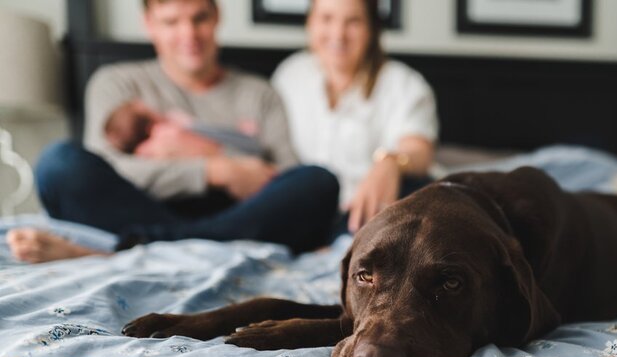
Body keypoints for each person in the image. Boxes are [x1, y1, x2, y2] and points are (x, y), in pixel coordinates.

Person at [6, 0, 339, 263]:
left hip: (237, 215)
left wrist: (209, 152)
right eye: (171, 22)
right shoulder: (117, 83)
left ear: (217, 16)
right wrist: (213, 170)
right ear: (149, 24)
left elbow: (288, 178)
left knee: (320, 181)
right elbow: (109, 169)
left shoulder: (261, 94)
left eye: (199, 18)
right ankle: (191, 246)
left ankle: (125, 251)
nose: (189, 35)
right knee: (58, 163)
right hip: (140, 210)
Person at [272, 0, 438, 234]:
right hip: (300, 211)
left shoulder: (404, 84)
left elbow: (420, 151)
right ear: (310, 23)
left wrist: (390, 162)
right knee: (314, 181)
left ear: (371, 29)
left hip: (366, 215)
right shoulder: (290, 76)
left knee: (418, 194)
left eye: (353, 21)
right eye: (327, 19)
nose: (338, 34)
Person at [105, 100, 265, 157]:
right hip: (242, 150)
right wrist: (188, 124)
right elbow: (211, 135)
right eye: (143, 107)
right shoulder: (170, 132)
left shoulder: (149, 148)